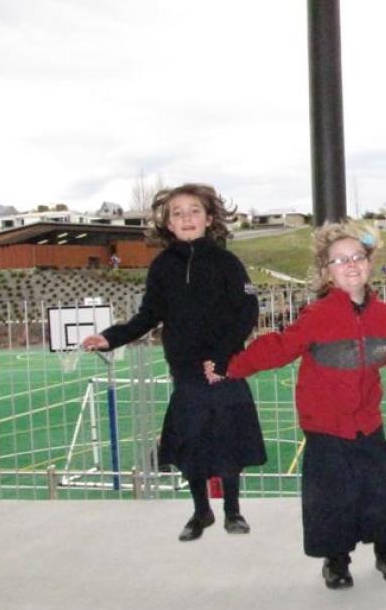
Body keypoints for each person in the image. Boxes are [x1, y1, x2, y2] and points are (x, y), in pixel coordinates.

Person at [207, 221, 386, 590]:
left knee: (382, 492)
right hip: (324, 431)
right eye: (339, 260)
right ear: (326, 272)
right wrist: (229, 366)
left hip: (368, 427)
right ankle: (336, 561)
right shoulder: (317, 317)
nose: (350, 265)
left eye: (357, 257)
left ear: (369, 263)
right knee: (331, 500)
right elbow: (278, 348)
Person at [82, 183, 265, 542]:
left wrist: (224, 358)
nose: (186, 218)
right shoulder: (163, 266)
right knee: (192, 442)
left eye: (194, 210)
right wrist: (110, 337)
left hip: (225, 366)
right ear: (167, 223)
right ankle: (201, 512)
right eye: (177, 213)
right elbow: (148, 315)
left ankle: (233, 511)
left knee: (228, 440)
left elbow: (247, 312)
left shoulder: (227, 262)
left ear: (209, 217)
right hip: (186, 372)